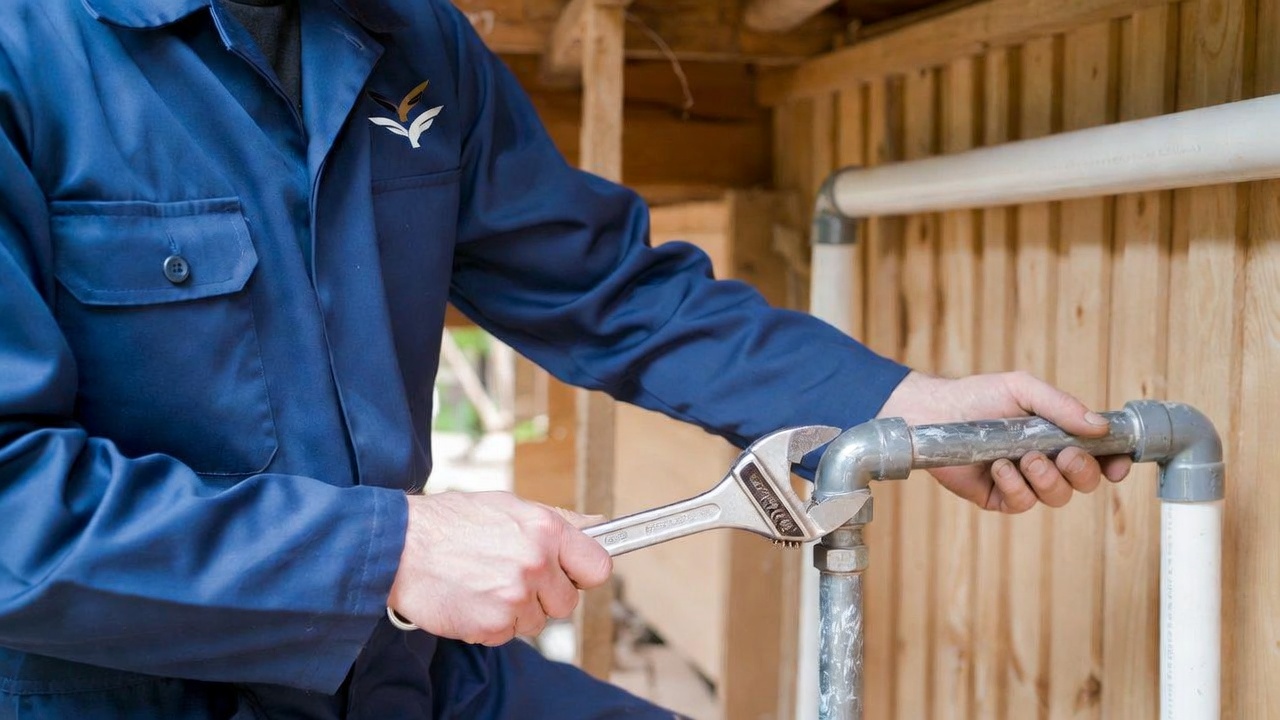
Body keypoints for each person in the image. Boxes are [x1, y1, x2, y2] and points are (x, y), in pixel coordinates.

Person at [0, 0, 1131, 717]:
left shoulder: (414, 38)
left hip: (393, 676)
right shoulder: (25, 48)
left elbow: (604, 287)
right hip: (108, 684)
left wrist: (896, 407)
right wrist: (385, 551)